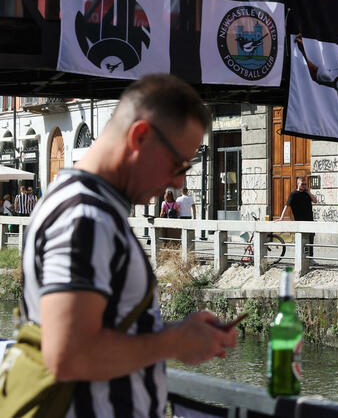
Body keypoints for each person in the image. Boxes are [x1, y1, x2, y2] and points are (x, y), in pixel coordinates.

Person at [20, 74, 236, 416]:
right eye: (178, 164)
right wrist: (175, 341)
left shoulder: (81, 206)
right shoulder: (85, 219)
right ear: (140, 136)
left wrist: (177, 336)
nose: (179, 182)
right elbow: (70, 355)